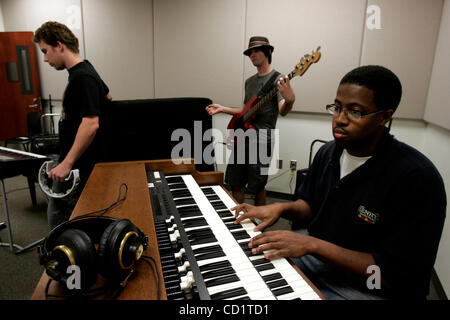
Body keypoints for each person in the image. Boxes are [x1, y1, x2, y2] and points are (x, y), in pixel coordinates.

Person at [233, 65, 446, 300]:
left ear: (385, 116)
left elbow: (393, 274)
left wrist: (312, 245)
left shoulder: (416, 178)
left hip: (372, 286)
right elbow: (311, 206)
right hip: (321, 261)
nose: (339, 119)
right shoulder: (328, 153)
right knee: (249, 272)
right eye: (337, 107)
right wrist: (281, 208)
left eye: (355, 111)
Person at [33, 21, 111, 229]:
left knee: (61, 223)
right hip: (79, 164)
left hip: (78, 168)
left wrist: (66, 163)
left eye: (46, 51)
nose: (45, 58)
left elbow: (91, 124)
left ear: (59, 45)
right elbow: (108, 96)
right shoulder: (86, 69)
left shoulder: (82, 77)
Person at [206, 36, 295, 206]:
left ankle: (261, 222)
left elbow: (282, 109)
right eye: (249, 52)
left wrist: (290, 100)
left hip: (262, 141)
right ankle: (240, 220)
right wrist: (222, 108)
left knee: (258, 185)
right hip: (243, 137)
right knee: (235, 181)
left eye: (256, 51)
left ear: (268, 52)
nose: (252, 55)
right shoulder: (249, 82)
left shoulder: (279, 79)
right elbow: (245, 110)